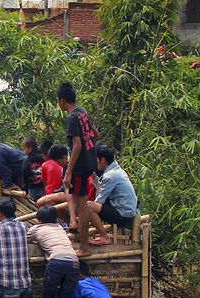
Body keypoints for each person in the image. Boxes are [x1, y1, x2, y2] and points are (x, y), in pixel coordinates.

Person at [58, 81, 108, 254]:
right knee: (82, 202)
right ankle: (85, 242)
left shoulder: (72, 118)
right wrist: (90, 153)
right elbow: (95, 135)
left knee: (81, 206)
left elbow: (77, 145)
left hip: (79, 167)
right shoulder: (83, 113)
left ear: (62, 101)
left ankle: (85, 247)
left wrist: (69, 172)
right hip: (89, 163)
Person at [27, 206, 81, 298]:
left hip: (56, 261)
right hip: (74, 262)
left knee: (48, 297)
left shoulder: (36, 229)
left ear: (38, 220)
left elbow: (25, 240)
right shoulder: (60, 228)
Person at [92, 146, 140, 231]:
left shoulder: (110, 176)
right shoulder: (117, 170)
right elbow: (101, 188)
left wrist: (81, 216)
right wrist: (93, 176)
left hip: (124, 215)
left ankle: (102, 234)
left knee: (89, 206)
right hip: (128, 212)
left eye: (96, 159)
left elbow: (99, 200)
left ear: (102, 160)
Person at [34, 144, 69, 213]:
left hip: (73, 194)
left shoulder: (70, 169)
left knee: (41, 202)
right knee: (48, 203)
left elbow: (45, 182)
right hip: (63, 192)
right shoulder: (63, 168)